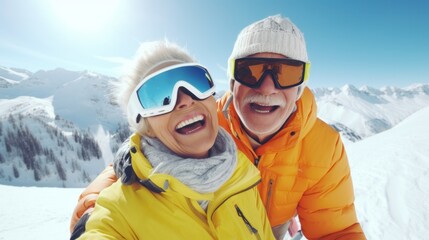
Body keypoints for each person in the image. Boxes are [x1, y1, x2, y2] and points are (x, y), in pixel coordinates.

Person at [70, 15, 366, 239]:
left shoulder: (322, 147)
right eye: (251, 70)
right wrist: (96, 203)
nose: (267, 86)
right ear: (233, 81)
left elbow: (337, 232)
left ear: (300, 87)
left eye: (286, 73)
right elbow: (141, 158)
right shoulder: (209, 129)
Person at [71, 40, 275, 239]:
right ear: (147, 128)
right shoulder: (120, 211)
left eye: (195, 82)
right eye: (160, 96)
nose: (185, 100)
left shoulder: (241, 175)